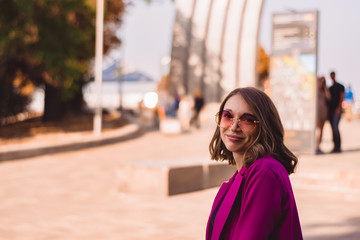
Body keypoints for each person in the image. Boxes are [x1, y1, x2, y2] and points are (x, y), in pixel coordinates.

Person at [206, 87, 302, 240]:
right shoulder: (245, 172)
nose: (234, 126)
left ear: (264, 126)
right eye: (228, 116)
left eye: (247, 120)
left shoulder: (264, 172)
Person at [328, 71, 345, 153]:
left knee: (335, 128)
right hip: (331, 111)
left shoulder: (340, 86)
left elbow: (342, 97)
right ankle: (335, 146)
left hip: (337, 111)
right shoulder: (330, 88)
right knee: (333, 129)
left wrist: (338, 108)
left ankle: (338, 146)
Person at [316, 76, 331, 154]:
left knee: (321, 130)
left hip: (323, 112)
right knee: (316, 130)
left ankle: (318, 146)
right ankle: (315, 146)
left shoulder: (325, 89)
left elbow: (329, 97)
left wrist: (325, 87)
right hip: (317, 112)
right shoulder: (316, 89)